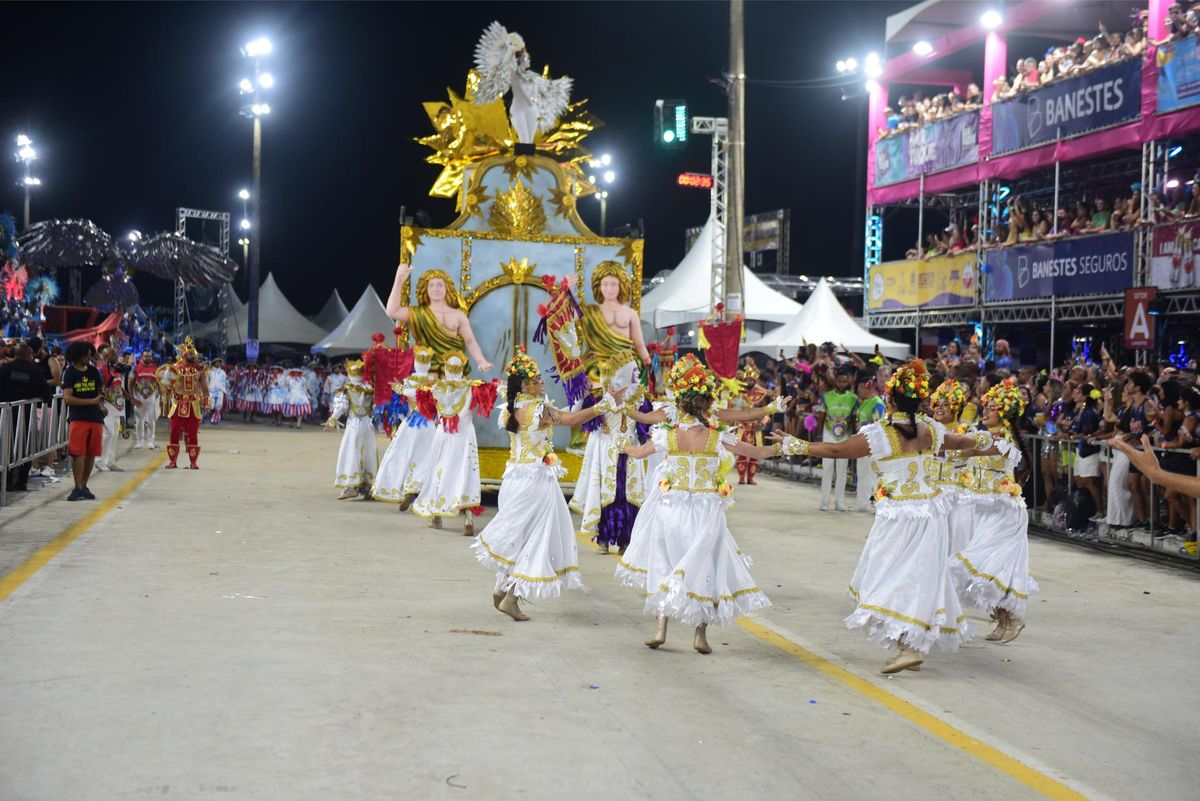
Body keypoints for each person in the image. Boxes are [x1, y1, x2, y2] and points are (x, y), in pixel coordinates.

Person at [775, 360, 996, 673]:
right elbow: (960, 442)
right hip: (932, 513)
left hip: (899, 516)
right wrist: (986, 440)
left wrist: (797, 444)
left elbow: (839, 451)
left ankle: (907, 646)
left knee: (889, 576)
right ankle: (910, 642)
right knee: (917, 576)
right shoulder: (931, 430)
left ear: (891, 400)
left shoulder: (880, 434)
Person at [618, 359, 773, 654]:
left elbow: (638, 453)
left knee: (665, 562)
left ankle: (661, 627)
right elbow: (758, 452)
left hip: (671, 507)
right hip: (706, 510)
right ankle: (700, 635)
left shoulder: (667, 434)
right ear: (705, 407)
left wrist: (621, 445)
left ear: (681, 405)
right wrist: (786, 447)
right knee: (706, 567)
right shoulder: (717, 437)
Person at [472, 347, 610, 621]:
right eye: (537, 379)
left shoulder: (513, 405)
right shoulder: (535, 408)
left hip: (515, 477)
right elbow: (570, 419)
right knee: (539, 537)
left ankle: (502, 589)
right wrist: (603, 406)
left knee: (520, 537)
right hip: (535, 481)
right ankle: (511, 596)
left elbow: (568, 412)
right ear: (525, 384)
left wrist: (584, 393)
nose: (542, 381)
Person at [953, 379, 1038, 644]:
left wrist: (951, 438)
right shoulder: (987, 434)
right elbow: (963, 457)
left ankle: (1013, 618)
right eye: (985, 406)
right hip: (984, 510)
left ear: (1004, 412)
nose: (985, 411)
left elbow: (973, 449)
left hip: (1004, 512)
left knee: (987, 567)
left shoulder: (1003, 440)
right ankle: (1002, 620)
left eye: (991, 408)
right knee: (987, 569)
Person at [411, 351, 498, 533]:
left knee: (439, 471)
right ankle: (468, 517)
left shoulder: (435, 388)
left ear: (445, 368)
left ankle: (436, 517)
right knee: (464, 473)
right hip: (464, 436)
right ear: (463, 369)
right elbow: (491, 393)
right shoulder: (473, 387)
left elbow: (420, 400)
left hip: (444, 434)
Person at [385, 263, 494, 374]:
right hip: (426, 374)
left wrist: (481, 360)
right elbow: (392, 311)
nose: (435, 289)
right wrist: (398, 282)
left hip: (453, 373)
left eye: (439, 285)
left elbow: (470, 341)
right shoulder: (418, 313)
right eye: (431, 285)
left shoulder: (458, 315)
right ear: (425, 289)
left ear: (447, 288)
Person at [371, 345, 437, 507]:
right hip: (428, 424)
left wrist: (400, 392)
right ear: (428, 364)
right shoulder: (434, 383)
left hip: (411, 423)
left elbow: (402, 405)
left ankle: (402, 486)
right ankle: (418, 487)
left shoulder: (408, 382)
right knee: (428, 456)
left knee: (403, 454)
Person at [0, 343, 52, 492]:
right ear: (27, 355)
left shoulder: (5, 369)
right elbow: (46, 394)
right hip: (26, 417)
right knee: (26, 448)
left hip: (5, 415)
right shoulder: (34, 371)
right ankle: (21, 482)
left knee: (5, 448)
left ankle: (6, 481)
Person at [323, 358, 377, 500]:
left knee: (351, 453)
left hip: (353, 424)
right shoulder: (370, 388)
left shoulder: (347, 389)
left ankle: (351, 486)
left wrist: (332, 420)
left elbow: (341, 407)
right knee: (368, 453)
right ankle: (368, 487)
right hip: (367, 424)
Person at [61, 341, 106, 501]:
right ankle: (77, 486)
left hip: (95, 418)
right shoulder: (70, 373)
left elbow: (100, 391)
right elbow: (68, 398)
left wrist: (101, 400)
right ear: (76, 355)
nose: (88, 357)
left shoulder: (93, 371)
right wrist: (92, 401)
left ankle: (84, 486)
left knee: (91, 453)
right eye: (85, 355)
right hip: (78, 418)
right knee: (78, 454)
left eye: (89, 354)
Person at [162, 338, 209, 470]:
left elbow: (205, 388)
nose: (193, 356)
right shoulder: (174, 369)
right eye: (190, 354)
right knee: (173, 433)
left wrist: (206, 403)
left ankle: (193, 462)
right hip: (177, 404)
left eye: (193, 353)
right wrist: (165, 403)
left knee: (193, 434)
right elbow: (167, 388)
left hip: (193, 405)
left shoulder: (200, 370)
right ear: (183, 355)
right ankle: (173, 462)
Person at [816, 365, 858, 511]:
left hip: (845, 437)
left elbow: (853, 419)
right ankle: (824, 501)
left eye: (844, 381)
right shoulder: (826, 397)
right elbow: (821, 416)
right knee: (827, 468)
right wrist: (819, 435)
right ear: (835, 381)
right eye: (839, 381)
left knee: (842, 470)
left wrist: (854, 436)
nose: (841, 384)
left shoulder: (853, 399)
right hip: (828, 434)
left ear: (848, 382)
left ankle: (839, 501)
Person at [853, 373, 886, 512]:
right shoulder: (864, 403)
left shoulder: (877, 403)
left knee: (870, 476)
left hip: (871, 445)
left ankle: (870, 504)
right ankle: (862, 504)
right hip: (862, 443)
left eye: (859, 388)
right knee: (862, 474)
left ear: (867, 386)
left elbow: (879, 425)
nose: (858, 391)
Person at [129, 350, 161, 449]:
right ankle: (139, 441)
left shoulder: (155, 369)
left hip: (151, 399)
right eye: (146, 356)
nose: (148, 358)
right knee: (139, 421)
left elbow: (159, 383)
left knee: (151, 421)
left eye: (150, 356)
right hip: (139, 398)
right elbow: (130, 383)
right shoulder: (135, 368)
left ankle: (150, 441)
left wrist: (160, 395)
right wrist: (131, 397)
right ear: (141, 357)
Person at [207, 357, 228, 425]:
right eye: (217, 362)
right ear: (213, 363)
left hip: (220, 390)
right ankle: (210, 416)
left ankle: (215, 419)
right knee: (211, 405)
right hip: (211, 390)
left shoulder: (223, 373)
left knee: (218, 405)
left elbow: (224, 382)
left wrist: (223, 389)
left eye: (219, 362)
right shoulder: (209, 372)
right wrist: (207, 388)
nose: (218, 363)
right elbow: (207, 381)